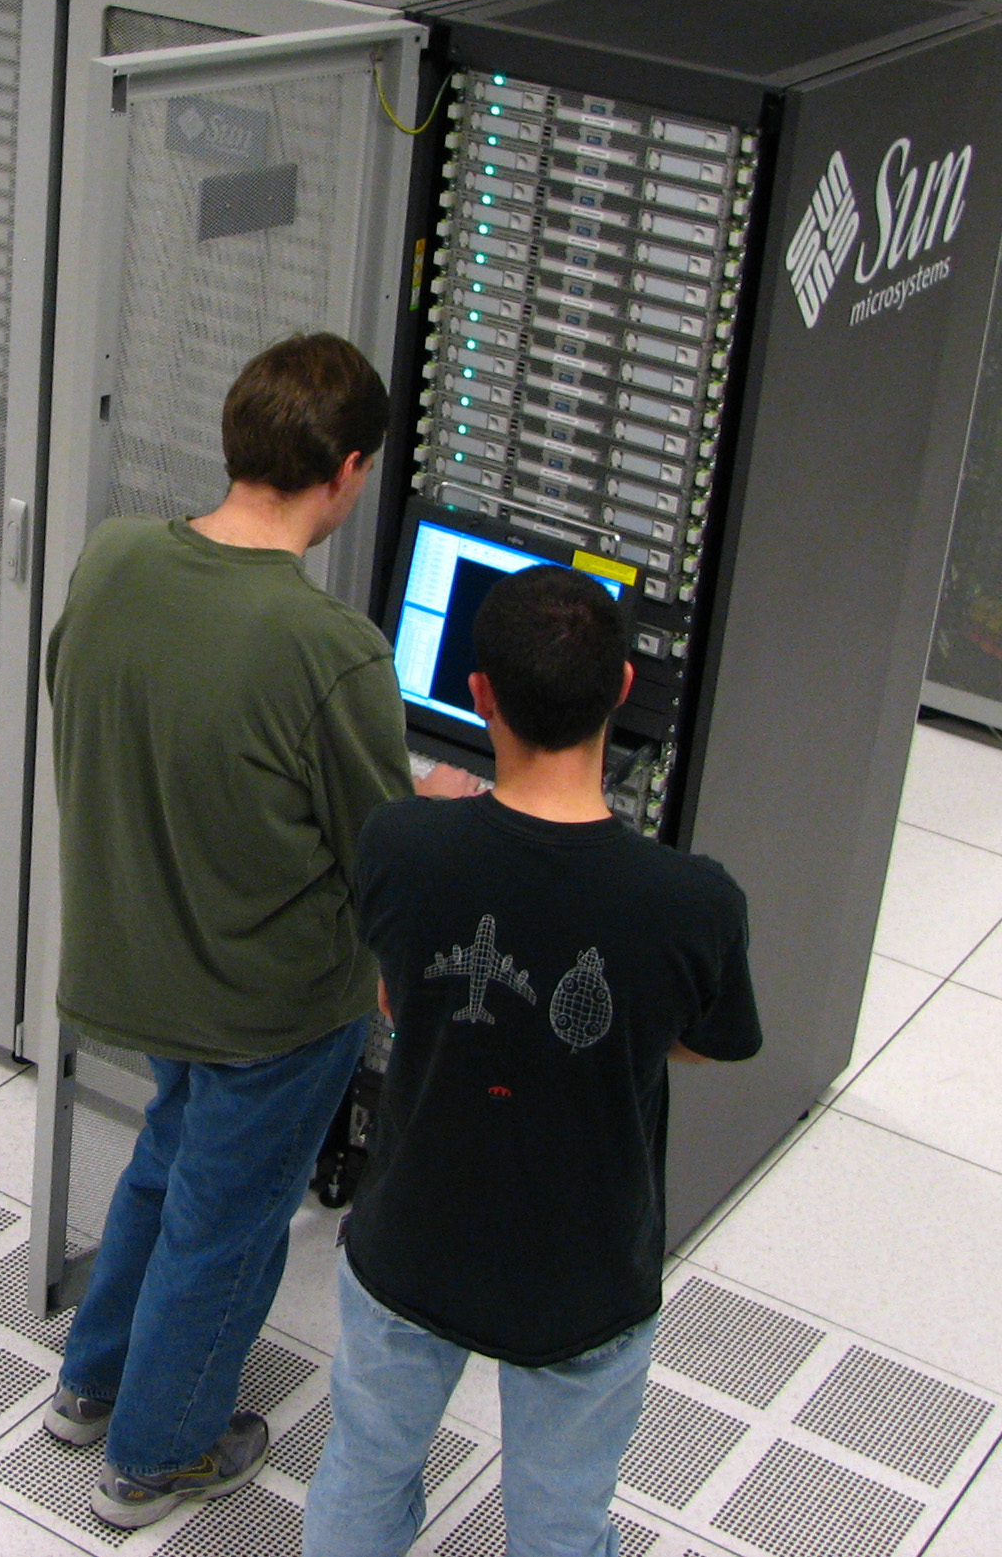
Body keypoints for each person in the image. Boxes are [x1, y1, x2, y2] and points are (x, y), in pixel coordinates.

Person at [42, 333, 468, 1530]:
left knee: (165, 1165)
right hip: (268, 1003)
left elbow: (93, 709)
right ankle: (159, 1455)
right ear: (343, 470)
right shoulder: (329, 651)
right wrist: (426, 802)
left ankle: (93, 1381)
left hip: (138, 962)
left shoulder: (115, 561)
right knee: (226, 1220)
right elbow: (377, 852)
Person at [302, 563, 761, 1557]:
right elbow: (703, 1043)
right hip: (583, 1267)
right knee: (559, 1521)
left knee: (365, 1471)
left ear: (480, 696)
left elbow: (396, 991)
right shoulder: (693, 902)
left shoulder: (402, 844)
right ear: (624, 694)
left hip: (414, 1238)